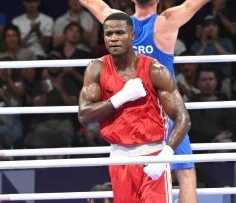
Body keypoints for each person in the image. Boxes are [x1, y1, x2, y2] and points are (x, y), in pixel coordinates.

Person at [79, 0, 211, 202]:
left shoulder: (122, 21)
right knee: (184, 170)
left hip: (162, 109)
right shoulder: (141, 23)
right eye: (110, 35)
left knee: (184, 169)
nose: (115, 37)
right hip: (138, 114)